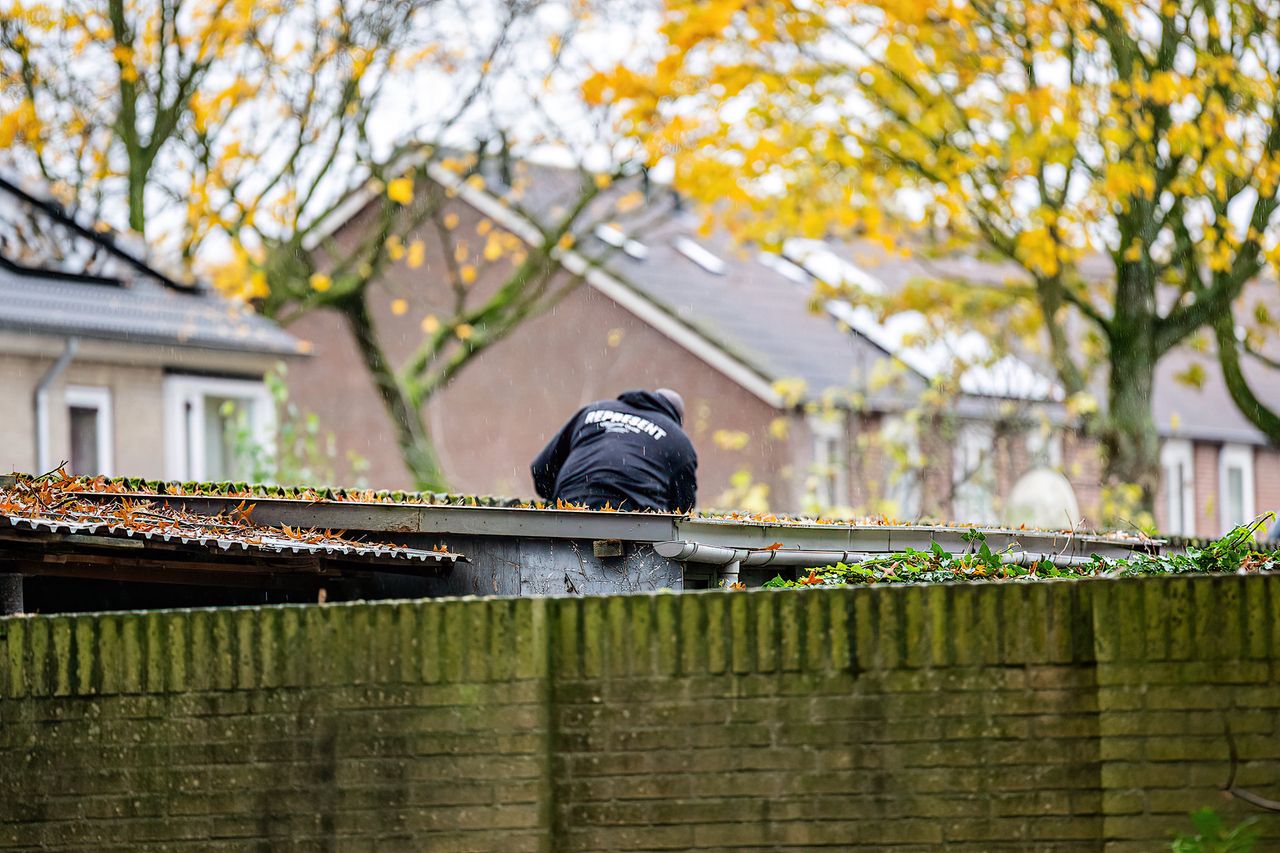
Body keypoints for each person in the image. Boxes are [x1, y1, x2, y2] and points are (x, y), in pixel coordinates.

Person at [531, 388, 697, 512]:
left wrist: (565, 498)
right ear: (677, 418)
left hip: (570, 506)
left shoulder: (593, 410)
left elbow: (541, 469)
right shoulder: (678, 439)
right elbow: (682, 510)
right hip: (637, 519)